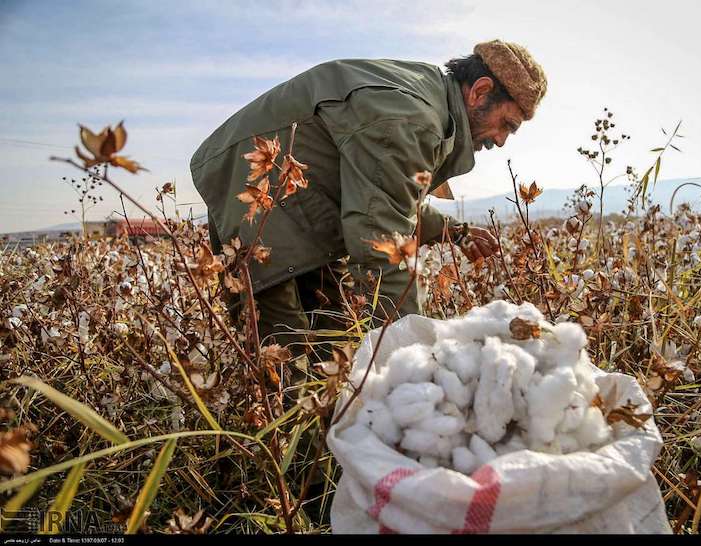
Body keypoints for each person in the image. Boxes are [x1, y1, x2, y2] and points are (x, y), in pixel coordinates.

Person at [190, 39, 547, 351]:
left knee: (331, 342)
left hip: (299, 204)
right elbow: (381, 241)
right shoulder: (414, 118)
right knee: (285, 353)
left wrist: (454, 231)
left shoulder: (431, 101)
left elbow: (387, 197)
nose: (501, 140)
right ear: (480, 91)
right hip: (257, 193)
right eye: (507, 125)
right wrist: (418, 358)